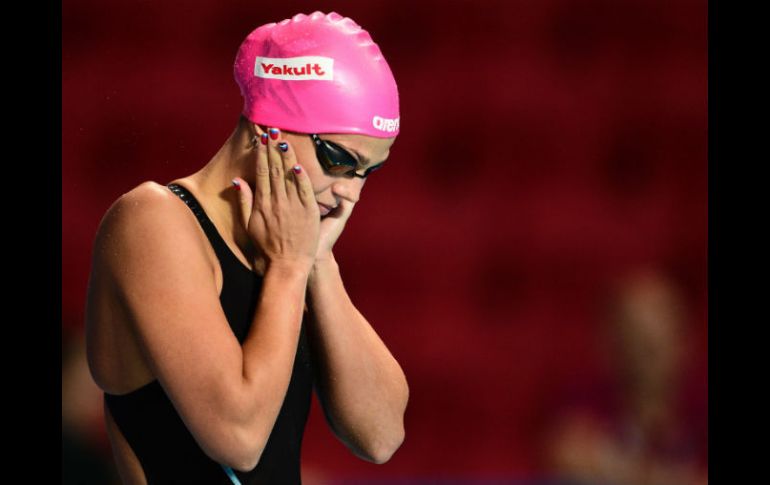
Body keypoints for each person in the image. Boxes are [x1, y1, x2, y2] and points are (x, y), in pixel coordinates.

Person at [84, 11, 409, 484]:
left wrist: (317, 258)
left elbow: (381, 436)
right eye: (339, 160)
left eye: (368, 172)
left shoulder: (292, 252)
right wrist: (291, 266)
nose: (351, 194)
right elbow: (238, 437)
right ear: (267, 128)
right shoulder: (153, 222)